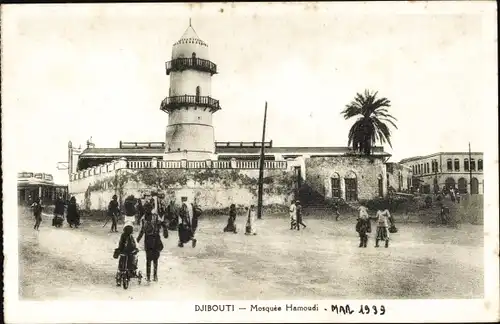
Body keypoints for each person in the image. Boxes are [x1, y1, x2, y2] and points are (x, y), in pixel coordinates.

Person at [137, 202, 168, 282]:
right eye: (146, 209)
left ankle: (154, 275)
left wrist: (165, 231)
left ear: (151, 209)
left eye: (149, 208)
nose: (147, 210)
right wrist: (137, 239)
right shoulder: (143, 219)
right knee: (148, 258)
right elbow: (142, 230)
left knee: (155, 258)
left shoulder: (156, 216)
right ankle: (148, 276)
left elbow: (162, 224)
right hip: (148, 239)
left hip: (155, 239)